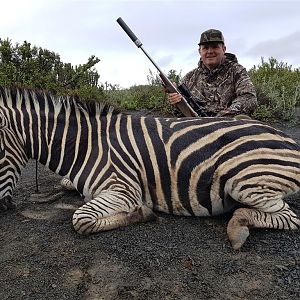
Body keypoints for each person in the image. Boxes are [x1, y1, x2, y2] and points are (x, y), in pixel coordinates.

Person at [167, 29, 257, 118]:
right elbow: (179, 114)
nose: (210, 51)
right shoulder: (189, 78)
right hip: (197, 127)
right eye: (205, 48)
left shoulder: (237, 71)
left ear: (224, 49)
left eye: (215, 47)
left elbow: (249, 98)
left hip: (227, 125)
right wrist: (176, 103)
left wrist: (220, 118)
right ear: (199, 51)